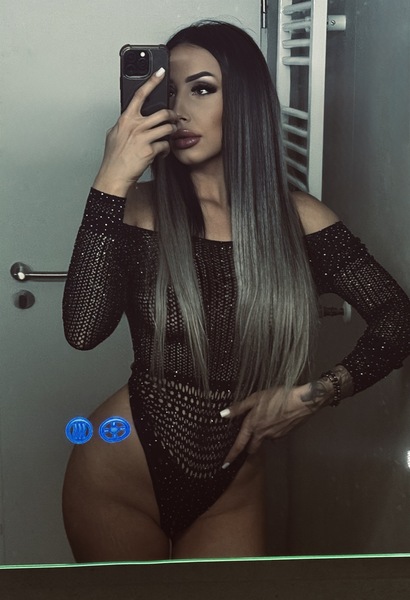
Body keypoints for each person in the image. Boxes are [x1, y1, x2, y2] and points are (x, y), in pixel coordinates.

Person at [62, 20, 410, 561]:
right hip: (118, 472)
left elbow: (397, 318)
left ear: (244, 101)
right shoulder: (135, 209)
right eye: (169, 93)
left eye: (202, 89)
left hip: (231, 491)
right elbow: (83, 331)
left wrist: (314, 396)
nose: (179, 111)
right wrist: (111, 179)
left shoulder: (300, 221)